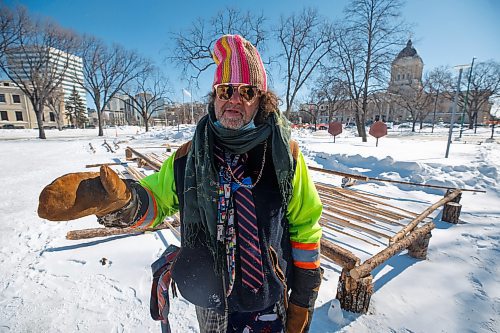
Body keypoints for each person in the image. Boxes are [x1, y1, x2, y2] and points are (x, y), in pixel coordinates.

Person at [38, 34, 323, 333]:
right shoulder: (189, 156)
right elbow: (155, 200)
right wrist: (122, 201)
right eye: (225, 91)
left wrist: (303, 298)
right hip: (211, 300)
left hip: (268, 297)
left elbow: (305, 225)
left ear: (261, 100)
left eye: (247, 92)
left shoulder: (284, 155)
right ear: (214, 97)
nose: (234, 100)